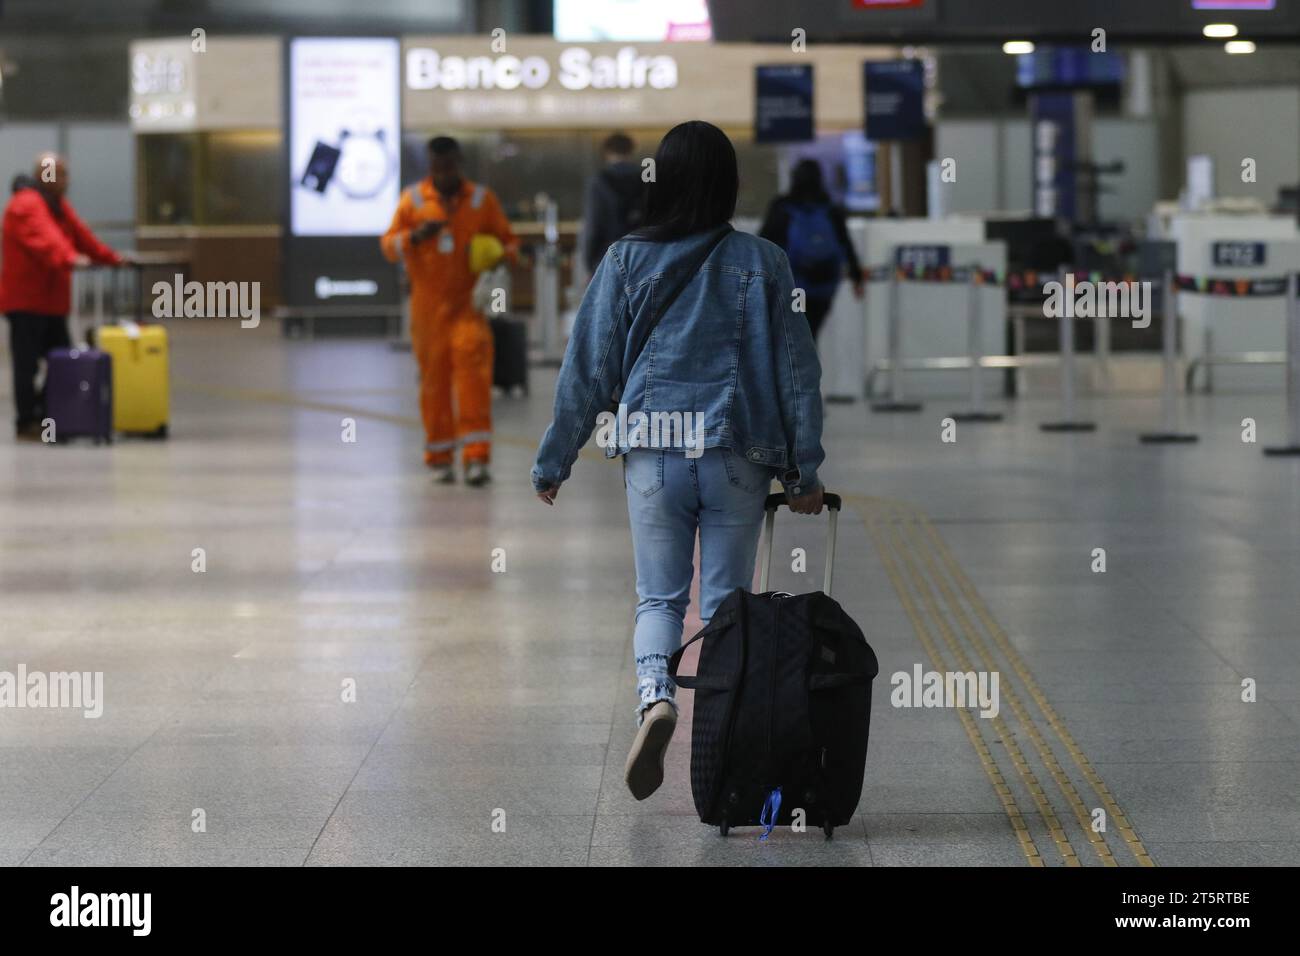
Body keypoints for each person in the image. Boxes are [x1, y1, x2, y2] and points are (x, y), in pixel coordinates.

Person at [531, 121, 826, 801]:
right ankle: (722, 739)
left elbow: (588, 369)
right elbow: (795, 373)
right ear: (730, 184)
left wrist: (555, 461)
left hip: (654, 453)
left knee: (659, 596)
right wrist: (802, 472)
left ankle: (656, 697)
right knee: (726, 603)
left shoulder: (624, 259)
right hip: (736, 455)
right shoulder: (764, 260)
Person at [381, 136, 518, 486]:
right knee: (434, 383)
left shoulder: (480, 201)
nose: (443, 172)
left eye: (449, 165)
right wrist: (414, 236)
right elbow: (388, 245)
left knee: (474, 381)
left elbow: (510, 243)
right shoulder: (413, 201)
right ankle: (440, 456)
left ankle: (476, 459)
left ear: (459, 163)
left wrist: (494, 255)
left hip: (469, 306)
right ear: (430, 165)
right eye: (437, 166)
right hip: (427, 312)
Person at [0, 154, 127, 441]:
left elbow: (82, 236)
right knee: (27, 364)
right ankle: (27, 423)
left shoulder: (56, 206)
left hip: (51, 302)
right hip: (27, 303)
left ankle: (50, 416)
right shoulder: (26, 205)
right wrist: (70, 258)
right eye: (61, 174)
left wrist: (111, 258)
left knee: (63, 359)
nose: (67, 181)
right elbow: (47, 240)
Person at [759, 158, 864, 340]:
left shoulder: (783, 208)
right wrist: (857, 277)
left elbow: (764, 243)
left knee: (796, 332)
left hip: (795, 286)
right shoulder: (831, 209)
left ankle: (798, 365)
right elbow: (846, 244)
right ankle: (808, 362)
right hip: (825, 287)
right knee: (810, 332)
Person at [582, 132, 643, 274]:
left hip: (608, 256)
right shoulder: (645, 180)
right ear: (631, 150)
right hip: (641, 255)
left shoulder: (600, 181)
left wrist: (589, 262)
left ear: (607, 153)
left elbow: (593, 224)